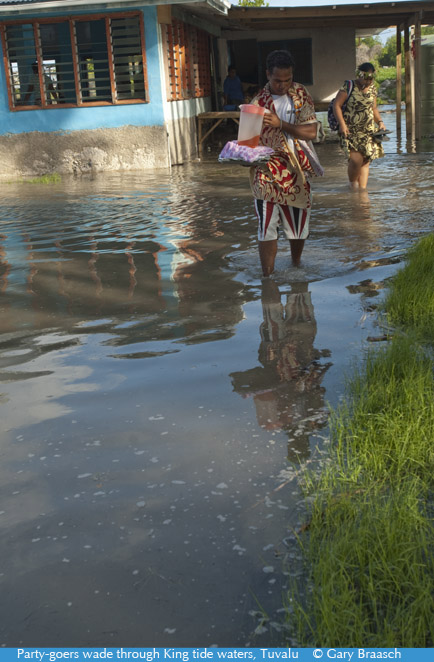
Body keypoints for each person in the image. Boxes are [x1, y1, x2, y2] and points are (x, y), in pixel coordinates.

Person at [249, 50, 322, 276]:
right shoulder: (257, 104)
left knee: (298, 228)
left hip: (296, 170)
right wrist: (242, 157)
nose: (283, 85)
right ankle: (267, 279)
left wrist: (281, 124)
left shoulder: (300, 94)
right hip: (265, 171)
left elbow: (311, 131)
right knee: (267, 226)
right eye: (277, 80)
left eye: (287, 79)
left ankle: (295, 266)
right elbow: (247, 145)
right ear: (267, 75)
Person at [333, 62, 386, 190]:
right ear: (359, 75)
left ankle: (362, 192)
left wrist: (380, 122)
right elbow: (336, 106)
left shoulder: (373, 88)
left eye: (371, 79)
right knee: (356, 160)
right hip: (350, 130)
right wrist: (342, 124)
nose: (368, 82)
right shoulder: (348, 86)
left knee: (365, 161)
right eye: (366, 78)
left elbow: (373, 108)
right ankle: (352, 186)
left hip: (368, 131)